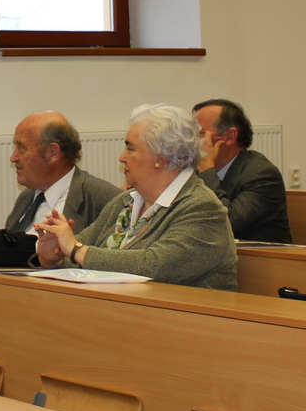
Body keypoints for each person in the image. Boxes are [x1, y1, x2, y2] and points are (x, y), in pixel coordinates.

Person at [33, 104, 237, 290]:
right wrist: (55, 257)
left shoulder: (203, 209)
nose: (122, 158)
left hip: (183, 317)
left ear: (161, 158)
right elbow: (81, 253)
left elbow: (153, 268)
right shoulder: (125, 202)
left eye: (130, 148)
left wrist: (74, 249)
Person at [193, 98, 292, 243]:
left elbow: (225, 222)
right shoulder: (195, 171)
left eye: (201, 133)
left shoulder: (262, 174)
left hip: (259, 255)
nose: (192, 140)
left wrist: (207, 168)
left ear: (230, 136)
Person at [5, 111, 119, 234]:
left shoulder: (103, 200)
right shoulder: (27, 197)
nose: (13, 158)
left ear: (53, 153)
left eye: (22, 148)